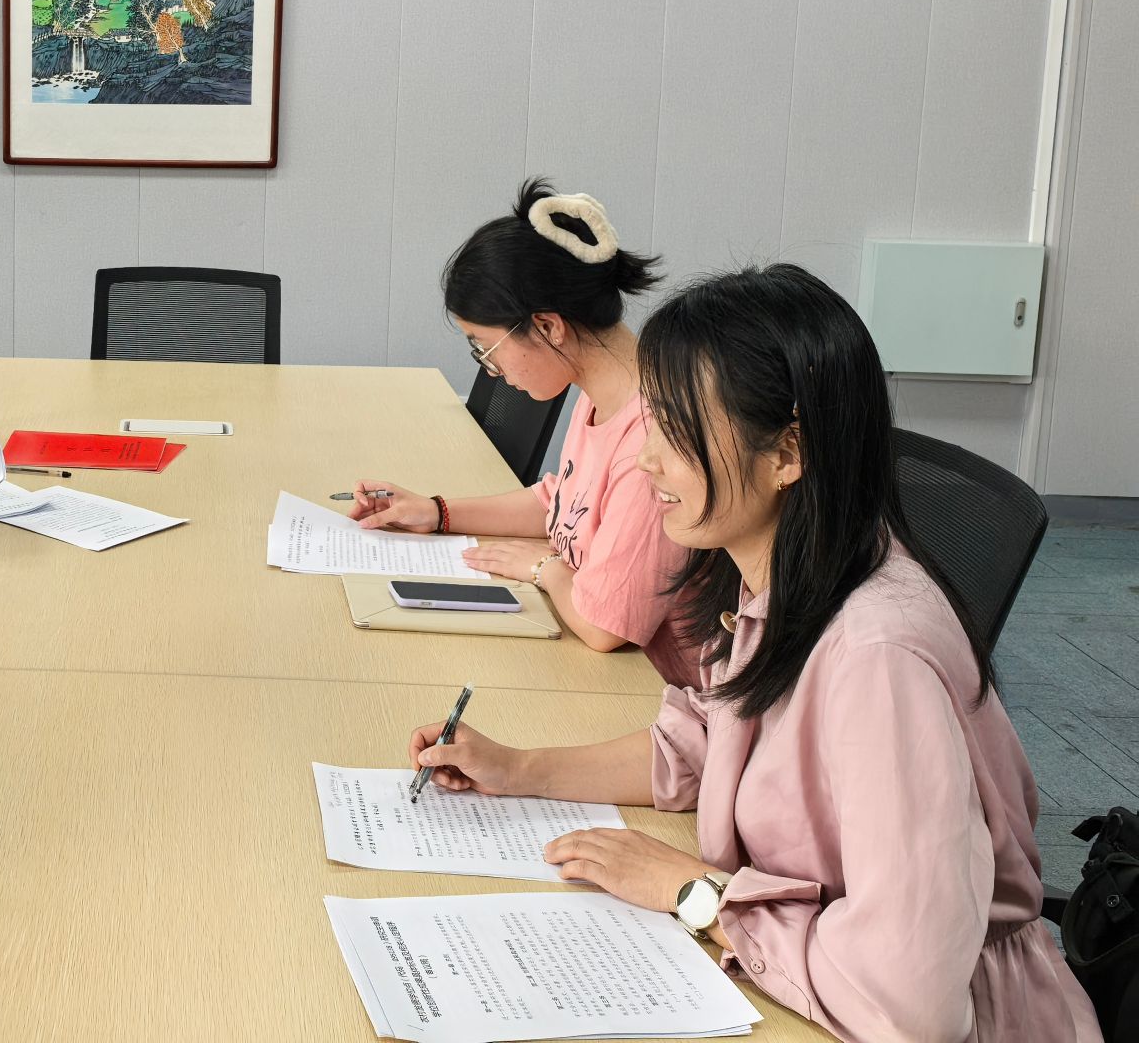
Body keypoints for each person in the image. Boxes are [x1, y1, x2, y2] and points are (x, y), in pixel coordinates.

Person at [406, 265, 1100, 1043]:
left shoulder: (879, 656)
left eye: (677, 431)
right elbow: (704, 744)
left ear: (787, 454)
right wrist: (519, 770)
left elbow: (910, 1000)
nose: (646, 461)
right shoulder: (769, 579)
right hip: (808, 979)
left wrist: (698, 896)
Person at [346, 180, 699, 685]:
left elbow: (604, 627)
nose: (491, 369)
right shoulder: (604, 391)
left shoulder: (654, 439)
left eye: (485, 348)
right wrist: (437, 511)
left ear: (549, 327)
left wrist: (546, 568)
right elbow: (563, 503)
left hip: (651, 691)